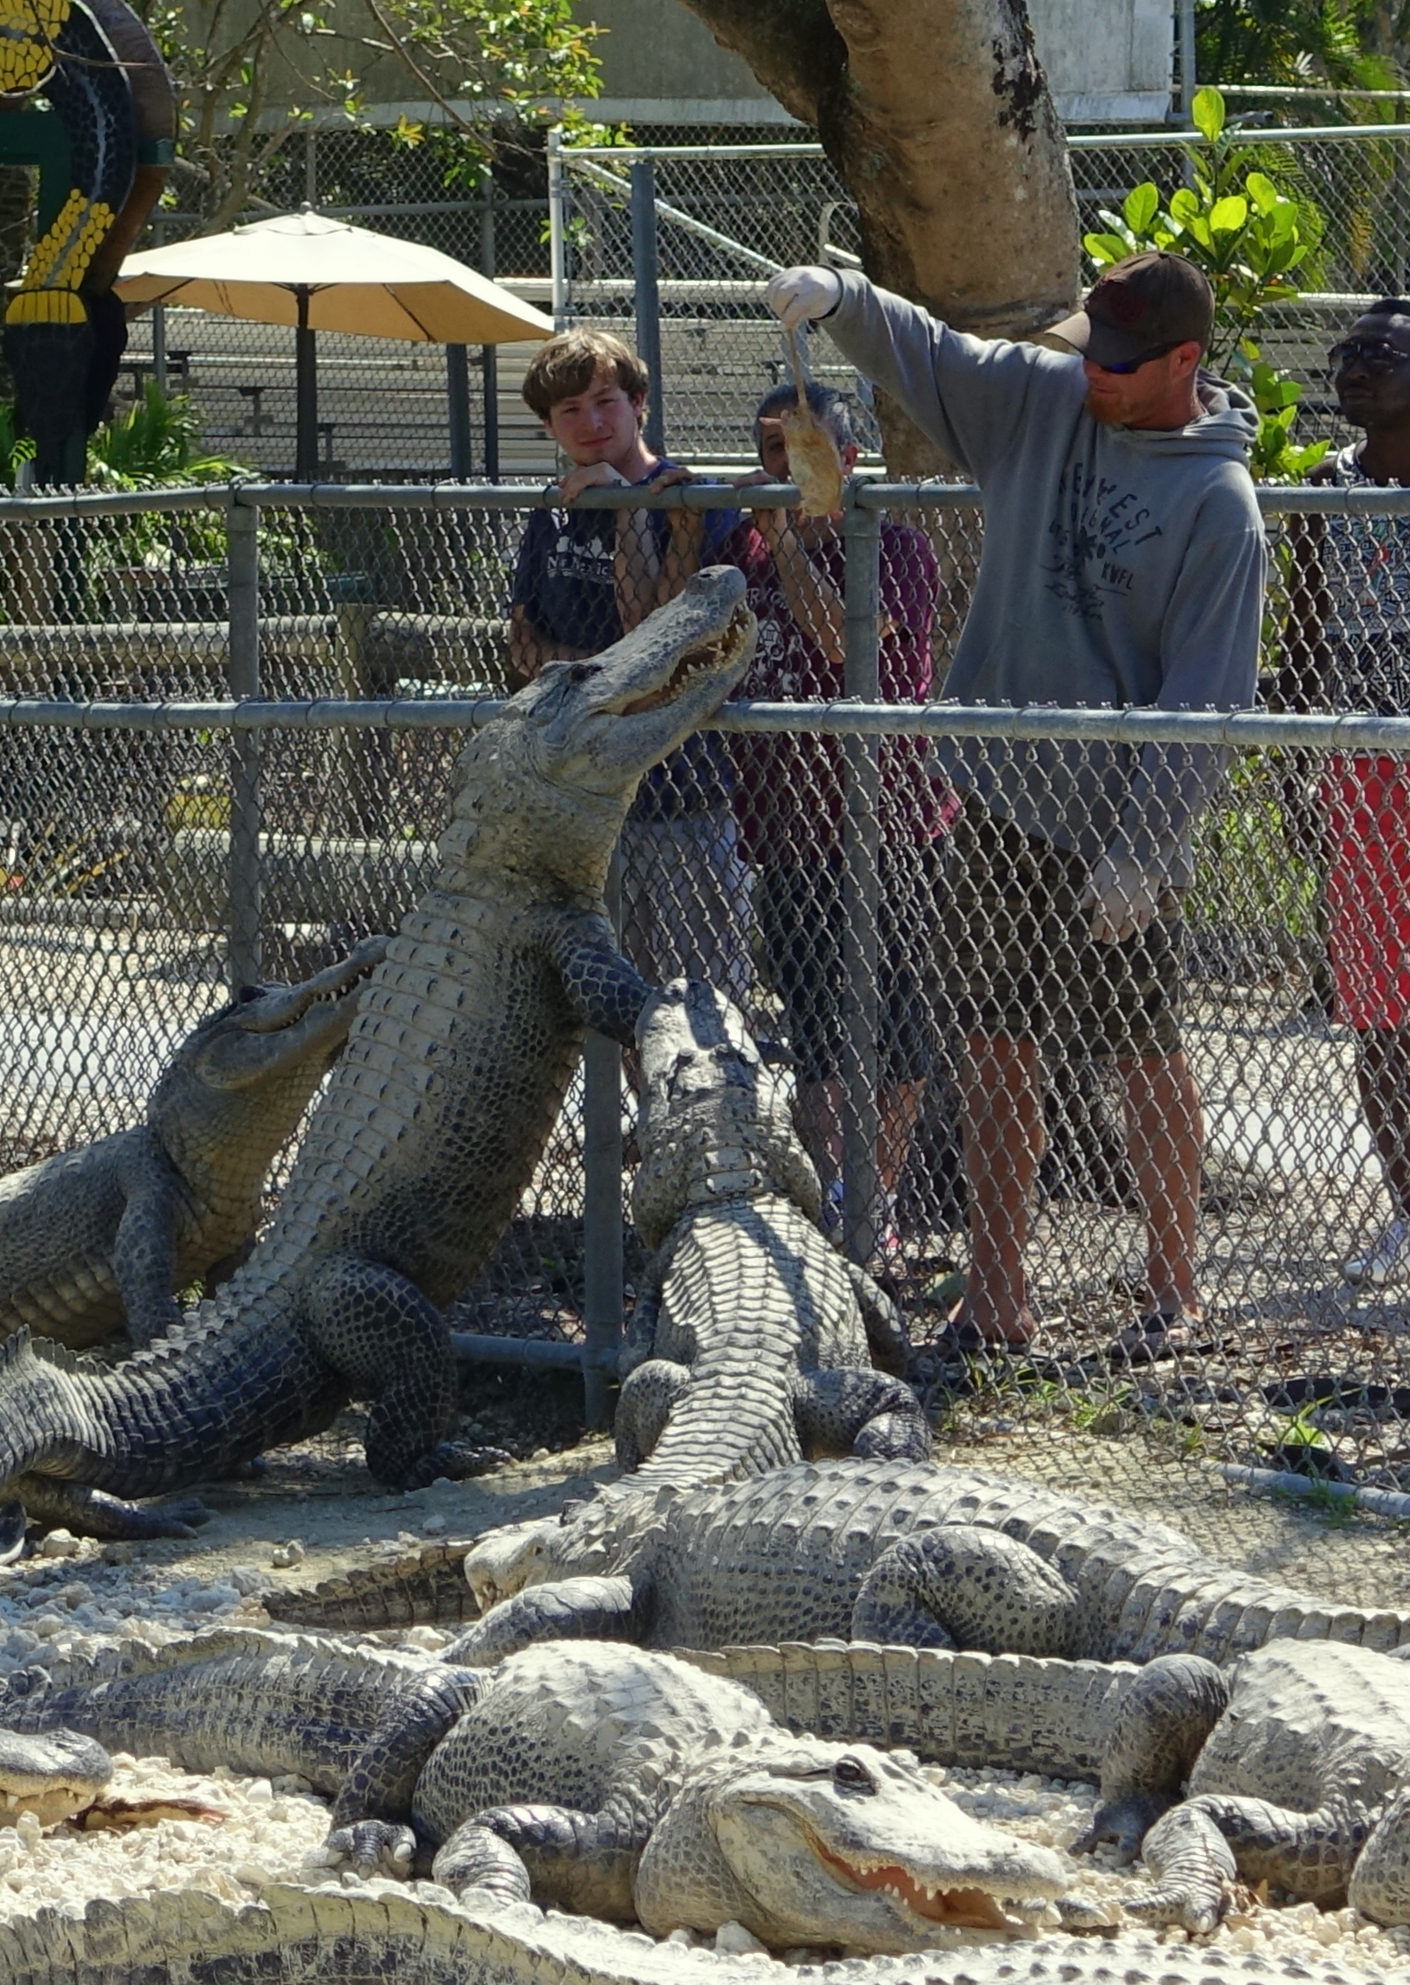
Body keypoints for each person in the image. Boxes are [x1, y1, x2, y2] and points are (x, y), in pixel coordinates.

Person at [766, 252, 1265, 1353]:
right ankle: (997, 1296)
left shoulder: (1220, 506)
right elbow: (938, 355)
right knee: (991, 1048)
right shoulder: (1046, 398)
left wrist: (1146, 848)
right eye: (1094, 349)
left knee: (1143, 1051)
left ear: (1187, 361)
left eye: (1125, 365)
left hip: (1115, 825)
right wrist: (848, 300)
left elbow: (1207, 694)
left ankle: (1177, 1288)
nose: (1096, 374)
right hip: (996, 796)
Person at [723, 382, 942, 1263]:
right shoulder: (741, 549)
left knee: (898, 1028)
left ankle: (873, 1195)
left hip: (891, 822)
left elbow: (842, 642)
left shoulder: (891, 544)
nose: (787, 468)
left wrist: (781, 545)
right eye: (774, 450)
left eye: (805, 449)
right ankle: (834, 1194)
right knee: (815, 1024)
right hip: (790, 830)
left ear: (847, 461)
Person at [510, 328, 751, 1002]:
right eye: (570, 411)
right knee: (605, 1010)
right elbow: (525, 649)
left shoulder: (693, 499)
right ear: (548, 425)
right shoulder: (551, 513)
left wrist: (625, 507)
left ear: (639, 403)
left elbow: (664, 645)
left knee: (696, 1002)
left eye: (605, 401)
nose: (591, 423)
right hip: (577, 793)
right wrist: (612, 674)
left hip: (680, 790)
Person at [1283, 300, 1410, 1287]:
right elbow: (1305, 640)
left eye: (1377, 355)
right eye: (1345, 356)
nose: (1353, 370)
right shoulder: (1328, 486)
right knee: (1377, 1008)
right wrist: (1297, 772)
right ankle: (1405, 1210)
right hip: (1364, 765)